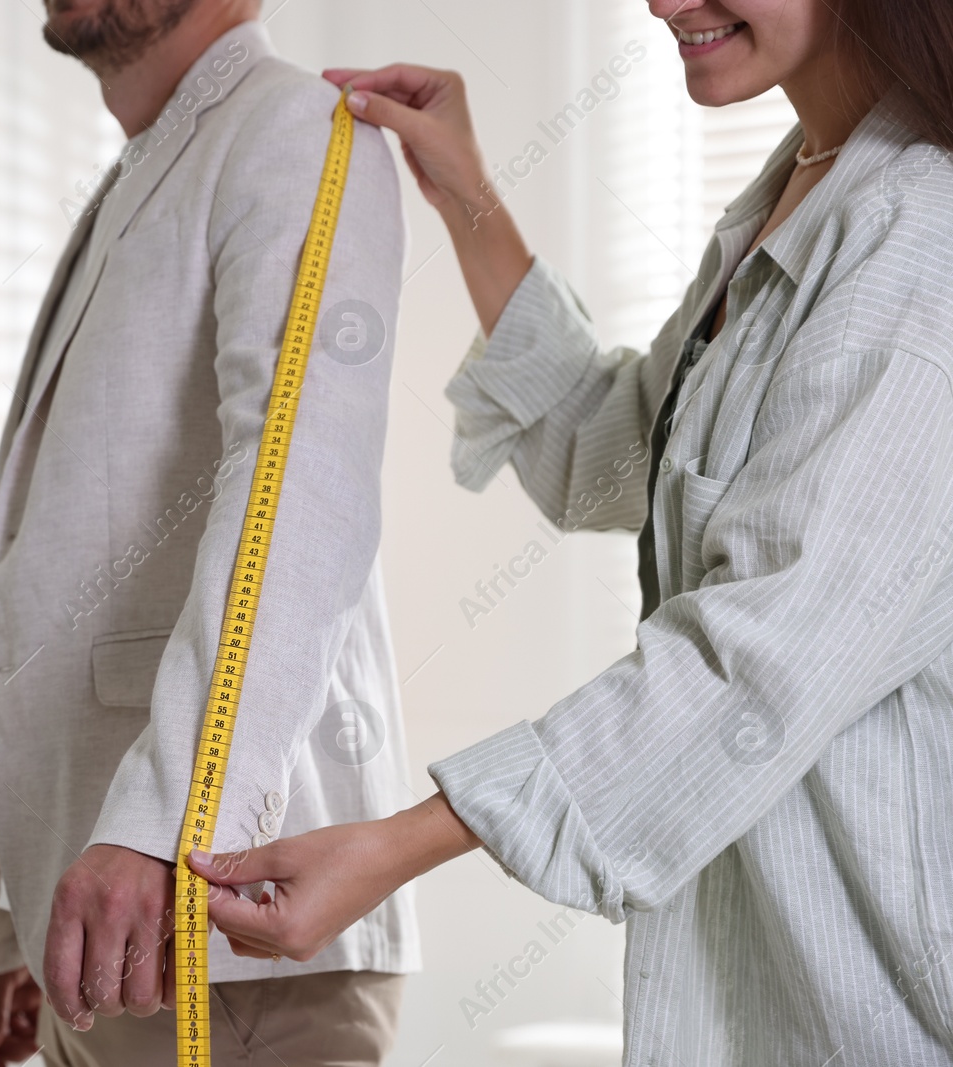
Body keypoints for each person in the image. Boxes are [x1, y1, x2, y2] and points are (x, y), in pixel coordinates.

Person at [187, 0, 953, 1063]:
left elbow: (753, 662)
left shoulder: (921, 236)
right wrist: (467, 194)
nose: (662, 2)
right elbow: (615, 451)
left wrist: (398, 844)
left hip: (881, 1002)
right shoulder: (800, 188)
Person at [0, 1, 423, 1065]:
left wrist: (169, 820)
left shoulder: (296, 129)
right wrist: (2, 916)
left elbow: (303, 486)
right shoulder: (142, 175)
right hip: (109, 919)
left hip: (227, 922)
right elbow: (50, 581)